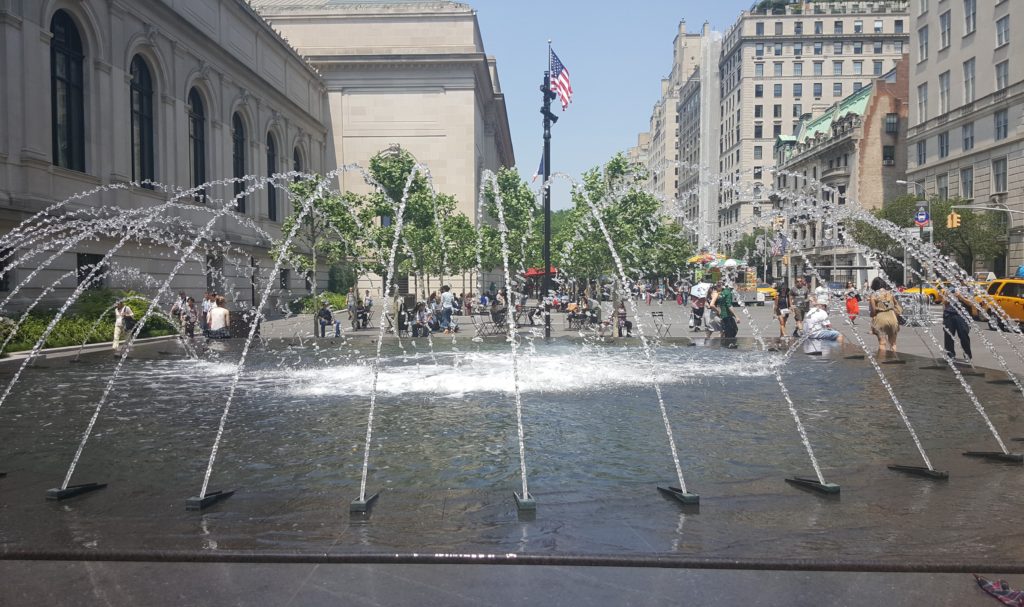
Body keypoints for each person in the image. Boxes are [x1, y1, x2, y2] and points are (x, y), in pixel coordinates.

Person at [868, 277, 901, 352]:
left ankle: (881, 362)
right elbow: (897, 306)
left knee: (882, 343)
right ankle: (894, 360)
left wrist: (873, 315)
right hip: (892, 317)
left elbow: (873, 312)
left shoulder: (873, 296)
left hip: (881, 318)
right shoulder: (890, 294)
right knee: (893, 344)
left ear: (874, 285)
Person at [943, 297, 973, 362]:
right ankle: (950, 355)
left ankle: (967, 355)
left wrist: (960, 296)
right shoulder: (949, 289)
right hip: (949, 314)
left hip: (962, 315)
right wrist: (948, 297)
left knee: (963, 335)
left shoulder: (965, 289)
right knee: (948, 335)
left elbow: (970, 303)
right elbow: (944, 303)